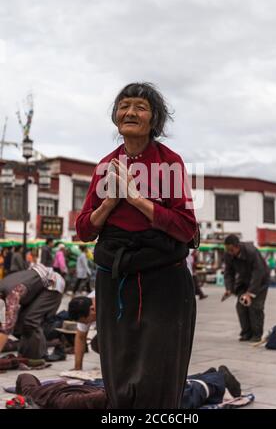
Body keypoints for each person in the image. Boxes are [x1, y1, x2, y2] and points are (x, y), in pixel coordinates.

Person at [76, 82, 197, 409]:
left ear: (154, 118)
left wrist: (137, 199)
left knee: (159, 372)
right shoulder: (105, 166)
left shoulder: (170, 163)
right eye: (124, 105)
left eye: (140, 107)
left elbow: (186, 228)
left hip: (164, 283)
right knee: (119, 367)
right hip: (115, 281)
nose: (130, 112)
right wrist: (109, 203)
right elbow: (84, 230)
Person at [14, 365, 241, 410]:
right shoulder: (34, 392)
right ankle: (211, 376)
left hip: (111, 393)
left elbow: (110, 399)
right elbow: (25, 376)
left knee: (177, 399)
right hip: (100, 386)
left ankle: (216, 379)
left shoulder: (65, 404)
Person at [0, 263, 65, 358]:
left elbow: (7, 327)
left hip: (52, 284)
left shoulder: (13, 294)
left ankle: (36, 356)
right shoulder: (3, 290)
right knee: (19, 324)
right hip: (37, 285)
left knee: (30, 320)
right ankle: (30, 351)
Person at [223, 234, 270, 342]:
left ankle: (257, 334)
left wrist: (250, 293)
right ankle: (246, 333)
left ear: (237, 246)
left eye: (231, 249)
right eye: (227, 249)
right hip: (243, 281)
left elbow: (258, 272)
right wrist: (229, 288)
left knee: (255, 307)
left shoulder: (251, 252)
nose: (229, 252)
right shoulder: (228, 255)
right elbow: (228, 272)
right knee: (241, 306)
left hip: (260, 281)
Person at [68, 292, 97, 370]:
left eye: (86, 321)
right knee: (97, 343)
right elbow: (80, 338)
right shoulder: (85, 307)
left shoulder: (107, 302)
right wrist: (77, 368)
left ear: (92, 309)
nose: (87, 324)